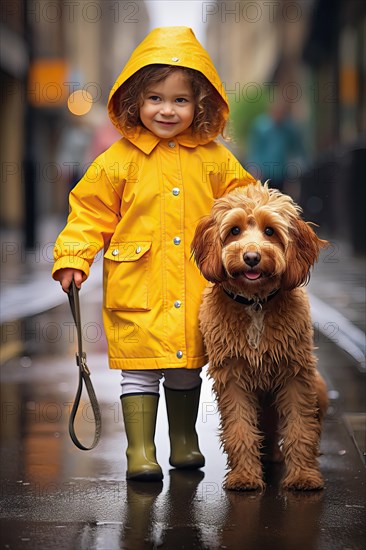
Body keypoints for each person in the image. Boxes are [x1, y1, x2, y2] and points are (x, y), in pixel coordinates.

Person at [52, 26, 255, 482]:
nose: (167, 109)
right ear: (133, 102)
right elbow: (88, 213)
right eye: (155, 98)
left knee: (185, 368)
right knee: (140, 371)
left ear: (199, 104)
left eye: (180, 100)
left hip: (196, 286)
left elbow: (246, 203)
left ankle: (184, 441)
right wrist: (73, 257)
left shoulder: (215, 159)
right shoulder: (117, 160)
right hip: (136, 285)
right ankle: (140, 451)